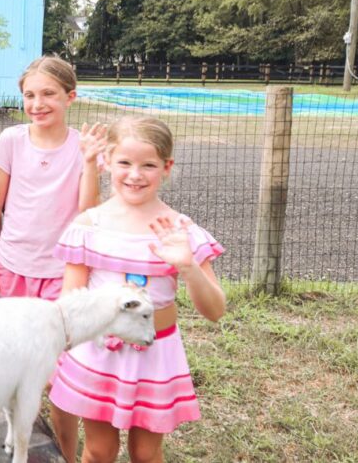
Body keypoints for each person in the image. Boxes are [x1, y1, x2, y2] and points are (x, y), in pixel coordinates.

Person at [49, 116, 226, 463]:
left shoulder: (180, 230)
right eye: (125, 163)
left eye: (148, 165)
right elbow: (69, 301)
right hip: (99, 354)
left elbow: (215, 310)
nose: (135, 174)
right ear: (107, 161)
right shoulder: (88, 226)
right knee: (100, 451)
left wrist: (187, 266)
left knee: (146, 453)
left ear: (166, 167)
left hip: (157, 355)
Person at [0, 56, 106, 304]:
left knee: (59, 338)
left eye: (48, 94)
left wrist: (90, 160)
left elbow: (89, 210)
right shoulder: (11, 140)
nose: (37, 104)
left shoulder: (82, 147)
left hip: (63, 269)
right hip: (12, 264)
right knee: (16, 338)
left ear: (70, 96)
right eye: (29, 95)